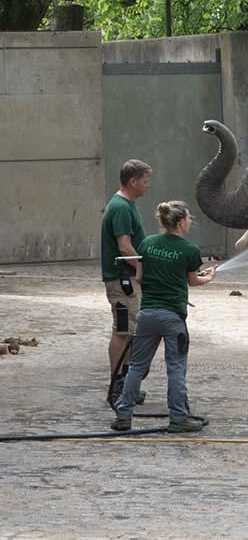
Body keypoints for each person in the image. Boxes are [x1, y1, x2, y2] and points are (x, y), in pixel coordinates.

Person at [111, 201, 216, 433]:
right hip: (172, 318)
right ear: (180, 222)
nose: (190, 222)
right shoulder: (190, 250)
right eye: (189, 219)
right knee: (176, 368)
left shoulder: (147, 244)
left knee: (137, 366)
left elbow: (139, 278)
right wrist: (208, 277)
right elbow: (193, 280)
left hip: (147, 314)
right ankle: (178, 418)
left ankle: (123, 416)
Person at [101, 159, 152, 407]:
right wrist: (145, 267)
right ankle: (116, 386)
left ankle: (126, 384)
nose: (147, 185)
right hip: (123, 281)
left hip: (128, 280)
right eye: (145, 180)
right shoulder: (121, 207)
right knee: (122, 331)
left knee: (130, 330)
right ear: (133, 181)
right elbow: (124, 246)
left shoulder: (125, 204)